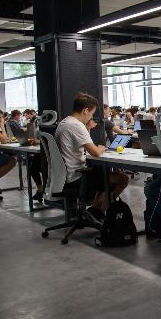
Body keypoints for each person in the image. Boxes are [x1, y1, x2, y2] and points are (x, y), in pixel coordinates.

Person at [56, 93, 129, 224]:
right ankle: (97, 211)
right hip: (77, 177)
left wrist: (87, 128)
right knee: (123, 178)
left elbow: (81, 144)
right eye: (91, 114)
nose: (91, 117)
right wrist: (101, 148)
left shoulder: (65, 122)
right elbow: (95, 152)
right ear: (85, 111)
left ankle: (94, 211)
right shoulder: (76, 125)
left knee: (103, 173)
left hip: (67, 175)